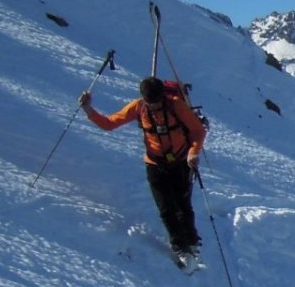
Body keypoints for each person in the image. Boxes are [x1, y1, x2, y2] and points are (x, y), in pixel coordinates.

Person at [79, 76, 207, 265]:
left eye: (157, 102)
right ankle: (179, 246)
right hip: (155, 164)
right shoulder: (138, 107)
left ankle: (192, 241)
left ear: (162, 95)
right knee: (165, 208)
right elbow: (109, 123)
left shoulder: (176, 105)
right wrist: (88, 109)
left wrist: (193, 153)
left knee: (183, 205)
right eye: (151, 102)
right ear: (144, 98)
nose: (154, 106)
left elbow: (198, 131)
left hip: (181, 162)